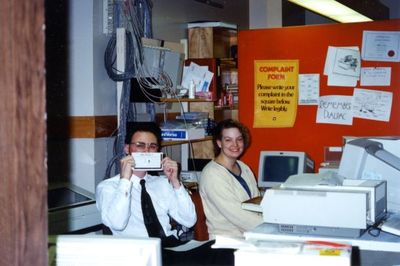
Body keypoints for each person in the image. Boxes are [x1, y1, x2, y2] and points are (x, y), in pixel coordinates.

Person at [96, 122, 234, 266]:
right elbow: (117, 224)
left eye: (152, 146)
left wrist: (175, 182)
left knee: (229, 251)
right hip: (140, 253)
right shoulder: (109, 187)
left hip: (171, 246)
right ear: (127, 149)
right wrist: (125, 180)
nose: (147, 151)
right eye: (140, 145)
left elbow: (189, 220)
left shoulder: (161, 183)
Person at [199, 119, 263, 239]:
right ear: (219, 143)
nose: (235, 145)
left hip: (250, 235)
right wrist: (271, 228)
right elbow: (237, 215)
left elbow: (257, 203)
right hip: (228, 242)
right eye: (228, 140)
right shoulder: (212, 174)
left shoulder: (243, 167)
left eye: (239, 139)